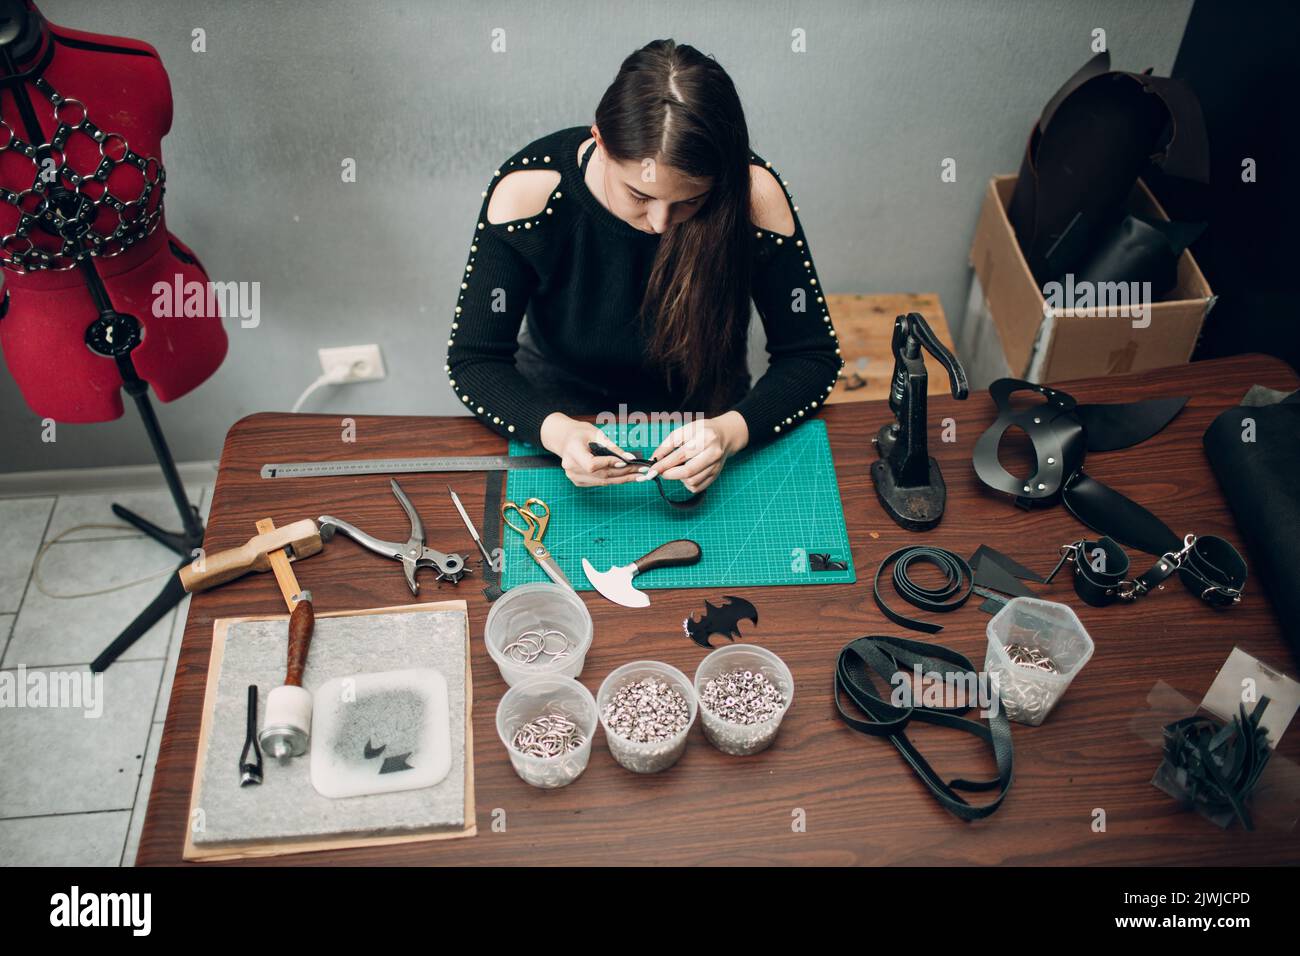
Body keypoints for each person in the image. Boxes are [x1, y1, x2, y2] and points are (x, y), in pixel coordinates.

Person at [445, 38, 842, 493]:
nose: (660, 223)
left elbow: (810, 356)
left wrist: (731, 432)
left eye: (690, 201)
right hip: (562, 411)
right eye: (640, 195)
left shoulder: (753, 195)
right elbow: (474, 360)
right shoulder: (530, 195)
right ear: (600, 140)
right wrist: (555, 432)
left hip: (705, 418)